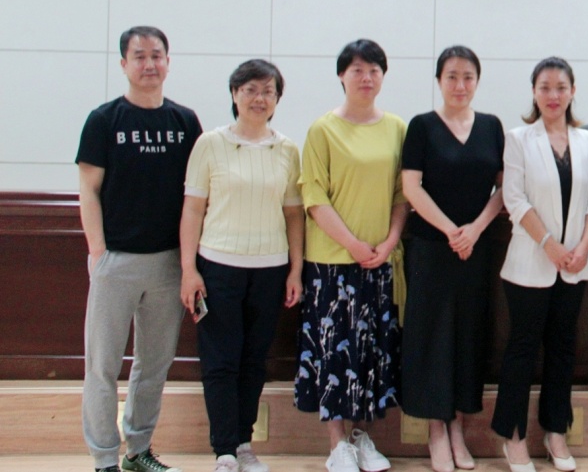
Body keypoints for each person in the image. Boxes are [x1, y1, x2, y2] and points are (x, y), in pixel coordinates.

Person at [77, 26, 203, 472]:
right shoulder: (103, 120)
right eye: (140, 56)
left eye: (157, 55)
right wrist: (98, 252)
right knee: (102, 366)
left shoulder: (185, 122)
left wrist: (189, 263)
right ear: (123, 64)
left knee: (153, 366)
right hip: (117, 261)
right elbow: (88, 190)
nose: (149, 64)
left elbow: (196, 196)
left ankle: (138, 450)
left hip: (168, 263)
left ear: (168, 62)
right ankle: (104, 459)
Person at [179, 59, 304, 472]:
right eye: (250, 89)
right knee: (221, 360)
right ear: (234, 94)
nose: (258, 98)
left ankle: (244, 443)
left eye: (268, 91)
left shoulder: (287, 150)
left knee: (254, 360)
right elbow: (193, 210)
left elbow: (293, 214)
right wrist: (189, 270)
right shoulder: (210, 144)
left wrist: (295, 270)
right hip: (218, 267)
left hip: (270, 269)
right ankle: (225, 451)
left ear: (277, 100)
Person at [294, 39, 406, 472]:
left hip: (380, 261)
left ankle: (361, 437)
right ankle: (336, 444)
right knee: (334, 353)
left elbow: (402, 194)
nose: (366, 77)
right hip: (332, 263)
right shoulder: (322, 130)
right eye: (357, 69)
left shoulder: (396, 128)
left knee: (372, 352)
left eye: (374, 70)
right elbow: (314, 198)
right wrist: (353, 244)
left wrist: (390, 241)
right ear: (341, 75)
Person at [491, 57, 588, 472]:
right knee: (522, 350)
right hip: (530, 263)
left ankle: (556, 431)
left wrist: (583, 246)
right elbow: (514, 198)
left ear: (573, 91)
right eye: (545, 87)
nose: (553, 95)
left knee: (562, 348)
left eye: (561, 87)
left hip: (575, 264)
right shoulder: (519, 138)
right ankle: (513, 436)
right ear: (534, 92)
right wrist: (550, 245)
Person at [401, 46, 505, 472]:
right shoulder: (422, 126)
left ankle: (459, 425)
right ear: (439, 81)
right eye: (452, 77)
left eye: (468, 77)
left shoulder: (492, 126)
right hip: (431, 247)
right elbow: (411, 187)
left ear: (477, 81)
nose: (460, 85)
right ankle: (436, 430)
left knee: (468, 335)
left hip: (476, 250)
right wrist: (451, 231)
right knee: (433, 337)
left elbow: (504, 188)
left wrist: (474, 230)